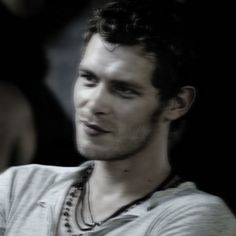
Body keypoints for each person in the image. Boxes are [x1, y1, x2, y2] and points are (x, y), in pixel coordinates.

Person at [0, 0, 235, 235]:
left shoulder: (194, 216)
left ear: (177, 103)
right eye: (89, 79)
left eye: (123, 89)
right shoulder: (18, 186)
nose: (94, 104)